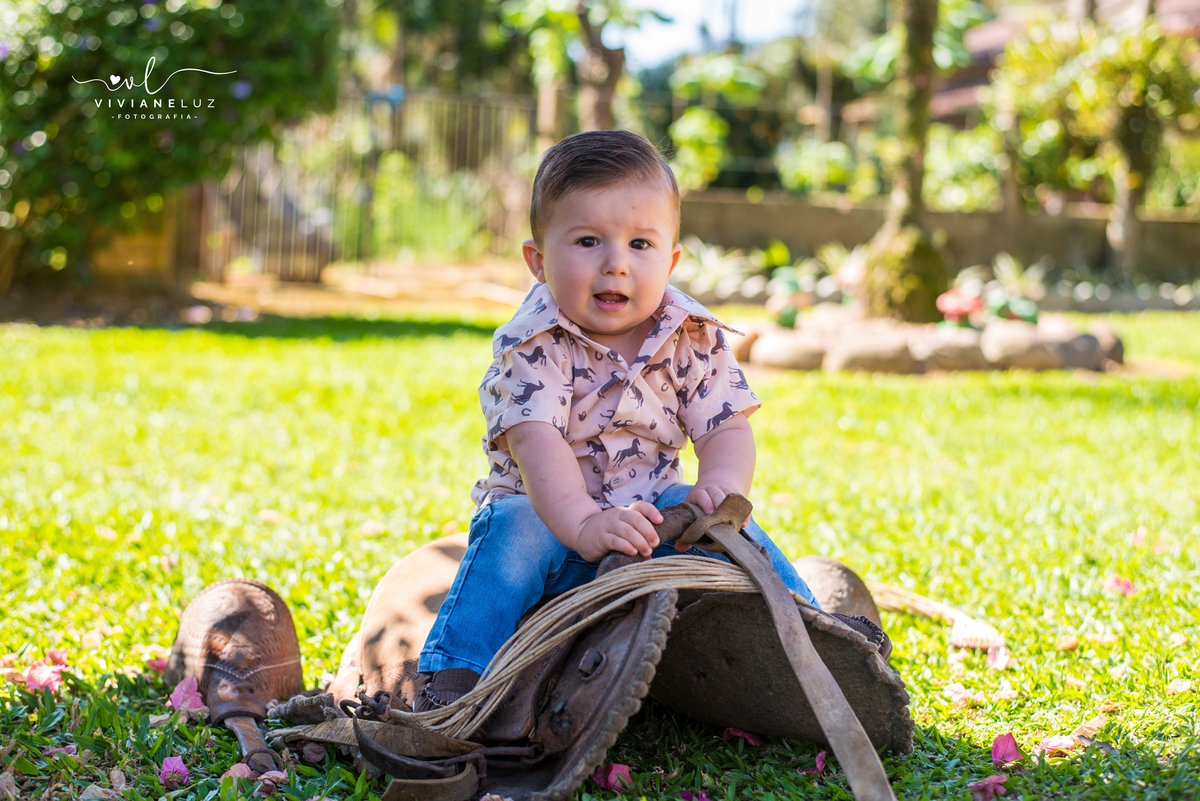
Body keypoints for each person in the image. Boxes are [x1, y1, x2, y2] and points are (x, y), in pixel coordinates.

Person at [414, 130, 821, 711]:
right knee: (510, 534)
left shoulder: (690, 334)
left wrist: (719, 490)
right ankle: (453, 673)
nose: (615, 265)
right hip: (554, 522)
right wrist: (583, 525)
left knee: (732, 528)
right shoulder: (532, 343)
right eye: (587, 241)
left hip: (653, 517)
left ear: (672, 258)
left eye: (640, 244)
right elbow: (538, 442)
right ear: (538, 260)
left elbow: (726, 425)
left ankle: (809, 626)